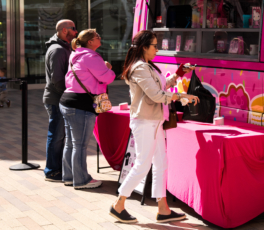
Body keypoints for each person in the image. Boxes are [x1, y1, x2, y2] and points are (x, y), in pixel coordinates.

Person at [110, 30, 198, 224]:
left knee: (161, 164)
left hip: (155, 121)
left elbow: (161, 87)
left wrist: (179, 74)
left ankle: (163, 209)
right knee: (143, 164)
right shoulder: (139, 68)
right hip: (145, 122)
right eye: (155, 46)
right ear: (144, 47)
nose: (158, 49)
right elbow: (156, 96)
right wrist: (182, 96)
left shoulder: (148, 66)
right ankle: (118, 204)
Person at [60, 29, 115, 190]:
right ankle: (82, 179)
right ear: (90, 42)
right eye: (97, 36)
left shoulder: (76, 54)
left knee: (71, 143)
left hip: (67, 101)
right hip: (81, 104)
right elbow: (107, 77)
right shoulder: (91, 56)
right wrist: (108, 68)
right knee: (80, 145)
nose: (100, 37)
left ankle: (70, 176)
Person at [43, 19, 77, 182]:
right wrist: (67, 96)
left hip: (59, 98)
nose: (76, 32)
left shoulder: (64, 48)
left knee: (60, 135)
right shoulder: (57, 50)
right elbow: (57, 80)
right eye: (73, 29)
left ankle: (57, 167)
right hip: (57, 99)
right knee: (56, 136)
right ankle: (51, 171)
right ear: (65, 31)